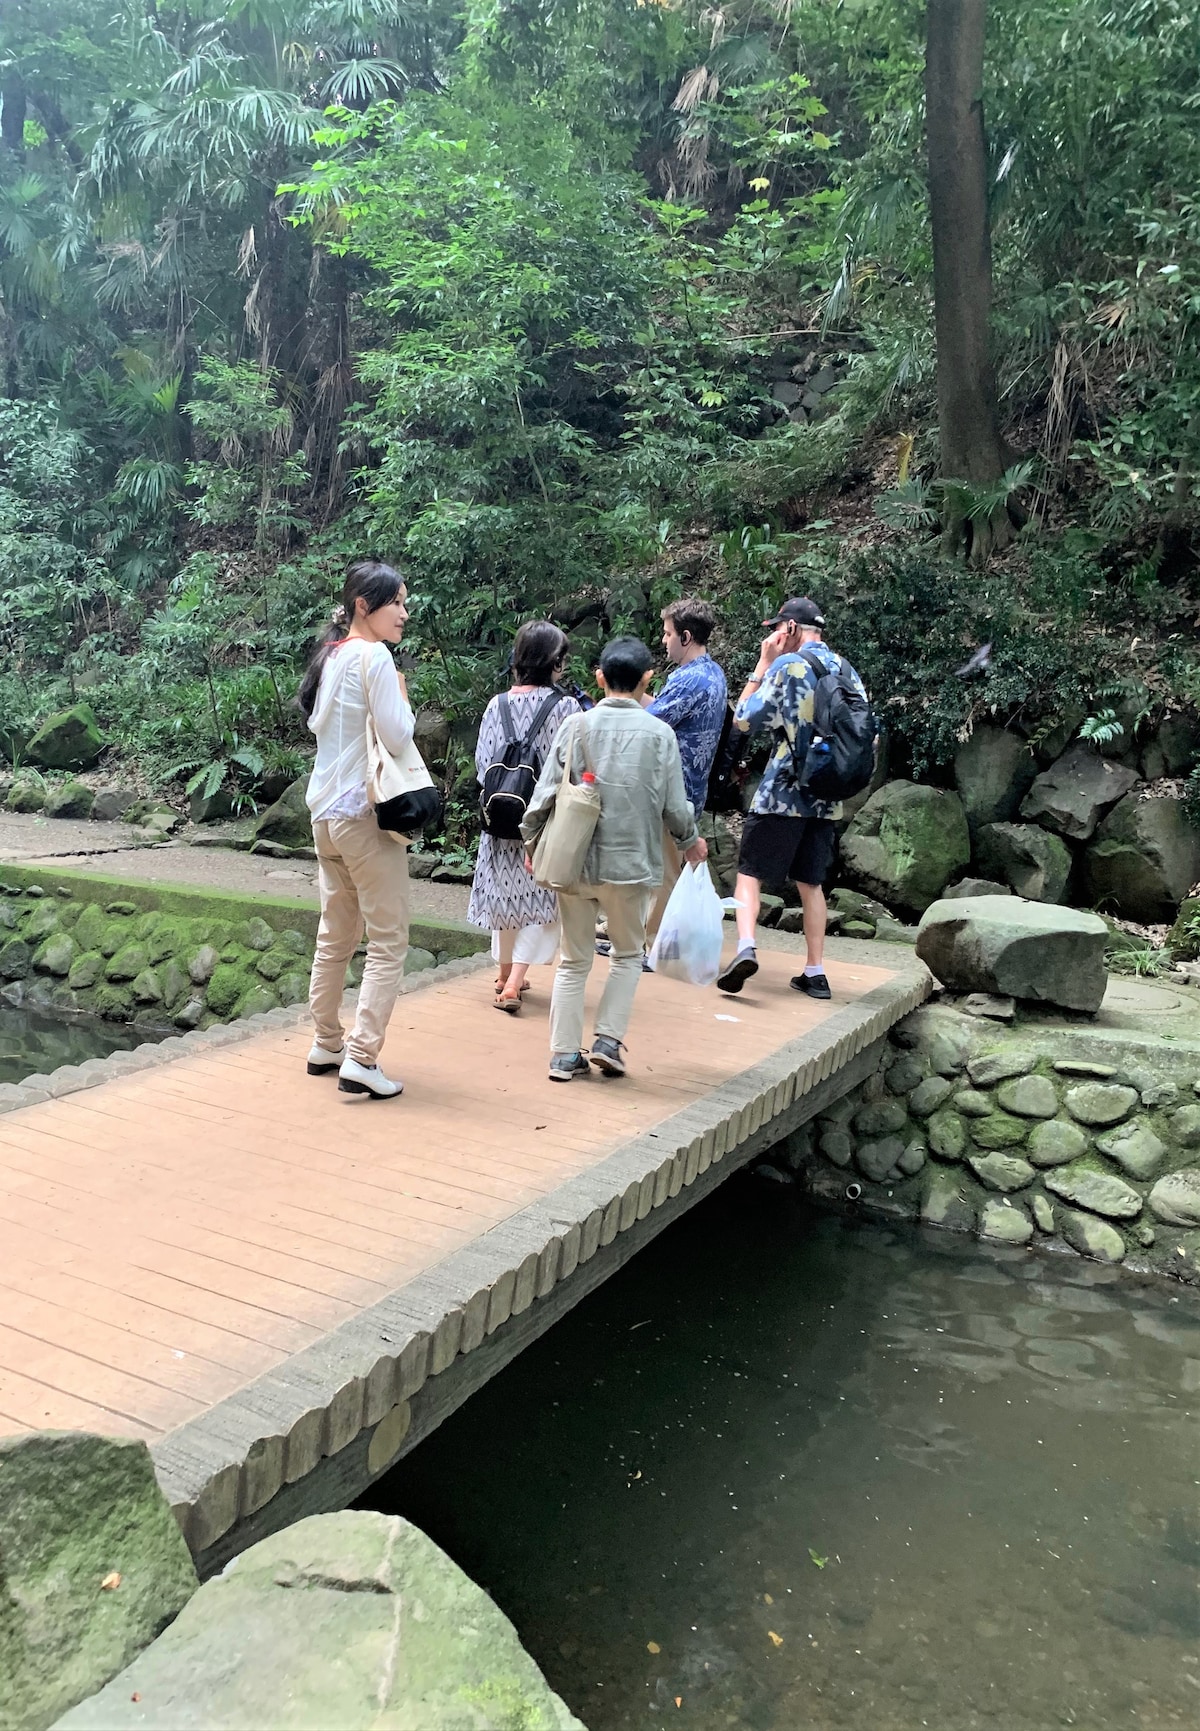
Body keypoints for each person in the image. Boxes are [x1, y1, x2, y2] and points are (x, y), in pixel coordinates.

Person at [521, 636, 708, 1083]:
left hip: (575, 863)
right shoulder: (660, 734)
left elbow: (544, 795)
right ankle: (607, 1041)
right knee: (626, 954)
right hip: (631, 865)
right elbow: (674, 805)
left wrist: (532, 845)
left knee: (573, 960)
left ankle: (564, 1056)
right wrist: (690, 841)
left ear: (600, 677)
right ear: (648, 679)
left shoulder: (575, 726)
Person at [299, 560, 414, 1099]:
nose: (404, 614)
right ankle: (362, 1057)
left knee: (336, 935)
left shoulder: (331, 655)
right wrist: (402, 695)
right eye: (397, 603)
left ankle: (327, 1042)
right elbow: (397, 736)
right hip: (364, 816)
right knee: (388, 940)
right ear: (364, 607)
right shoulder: (374, 657)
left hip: (324, 814)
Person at [716, 596, 868, 1002]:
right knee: (811, 883)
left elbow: (744, 719)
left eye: (777, 629)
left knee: (750, 872)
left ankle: (746, 946)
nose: (773, 637)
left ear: (791, 629)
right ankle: (815, 972)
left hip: (783, 792)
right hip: (827, 795)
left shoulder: (787, 665)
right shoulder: (847, 670)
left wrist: (762, 664)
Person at [468, 621, 579, 1012]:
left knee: (505, 895)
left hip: (500, 815)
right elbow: (572, 764)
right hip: (544, 819)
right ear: (554, 662)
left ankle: (504, 973)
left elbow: (483, 765)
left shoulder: (496, 705)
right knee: (539, 897)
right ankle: (514, 982)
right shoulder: (566, 707)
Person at [644, 597, 727, 943]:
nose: (664, 640)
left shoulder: (688, 680)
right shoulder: (713, 672)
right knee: (670, 866)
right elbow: (667, 712)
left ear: (686, 636)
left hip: (673, 790)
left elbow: (649, 723)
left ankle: (651, 943)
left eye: (668, 633)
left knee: (664, 871)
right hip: (694, 787)